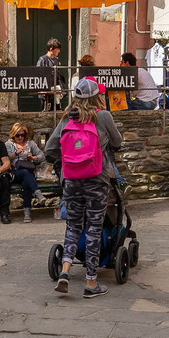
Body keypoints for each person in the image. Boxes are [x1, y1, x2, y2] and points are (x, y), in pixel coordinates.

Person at [45, 78, 124, 297]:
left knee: (73, 226)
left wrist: (69, 158)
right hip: (97, 179)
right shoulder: (103, 116)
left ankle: (65, 271)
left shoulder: (67, 118)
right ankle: (91, 283)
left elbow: (50, 148)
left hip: (71, 180)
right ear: (95, 96)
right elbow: (117, 142)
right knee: (94, 229)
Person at [7, 123, 45, 219]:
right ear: (13, 135)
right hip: (15, 173)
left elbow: (42, 155)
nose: (20, 138)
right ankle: (37, 193)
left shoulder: (30, 143)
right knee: (25, 173)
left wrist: (33, 157)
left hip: (28, 171)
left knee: (26, 182)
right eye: (17, 135)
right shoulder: (9, 144)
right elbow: (6, 158)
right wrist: (16, 153)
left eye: (22, 135)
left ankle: (27, 212)